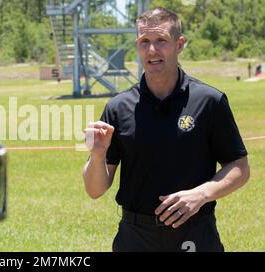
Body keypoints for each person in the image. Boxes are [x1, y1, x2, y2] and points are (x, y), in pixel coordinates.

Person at [82, 7, 250, 252]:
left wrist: (201, 194)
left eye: (161, 40)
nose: (152, 50)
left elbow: (240, 168)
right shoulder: (118, 107)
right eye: (144, 42)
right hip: (135, 236)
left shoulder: (209, 101)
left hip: (195, 232)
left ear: (179, 44)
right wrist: (97, 157)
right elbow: (95, 190)